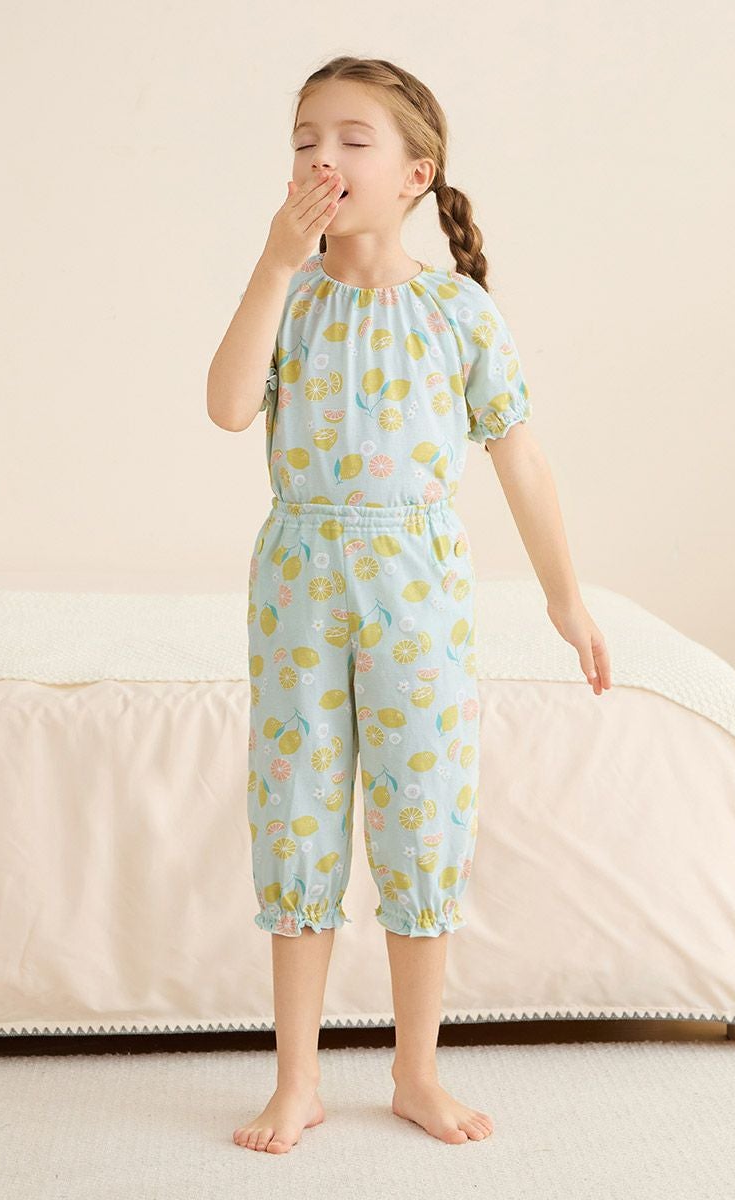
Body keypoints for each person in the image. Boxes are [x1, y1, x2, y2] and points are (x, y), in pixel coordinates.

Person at [207, 55, 612, 1154]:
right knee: (296, 813)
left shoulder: (458, 312)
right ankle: (297, 1081)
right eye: (304, 140)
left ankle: (416, 1071)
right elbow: (230, 407)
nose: (321, 159)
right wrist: (273, 263)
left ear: (416, 174)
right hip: (299, 587)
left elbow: (523, 461)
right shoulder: (290, 299)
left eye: (351, 140)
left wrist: (566, 600)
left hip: (417, 589)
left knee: (421, 815)